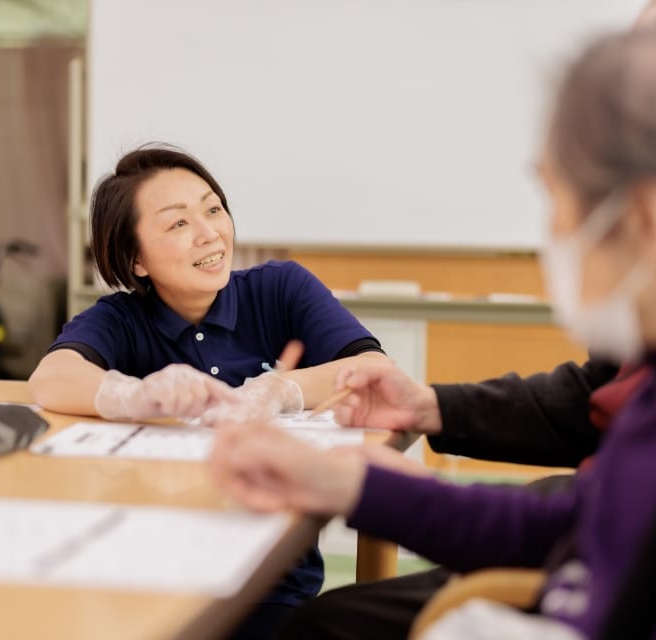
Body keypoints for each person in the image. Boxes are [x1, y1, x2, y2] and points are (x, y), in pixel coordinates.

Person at [212, 7, 656, 639]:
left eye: (559, 198)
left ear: (650, 221)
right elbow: (582, 522)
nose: (553, 232)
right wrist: (353, 483)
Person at [27, 145, 390, 638]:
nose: (210, 232)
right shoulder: (122, 319)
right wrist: (130, 394)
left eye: (213, 208)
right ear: (136, 259)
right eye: (178, 224)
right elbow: (51, 377)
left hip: (271, 584)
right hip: (153, 577)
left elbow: (373, 367)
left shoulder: (280, 288)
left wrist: (283, 388)